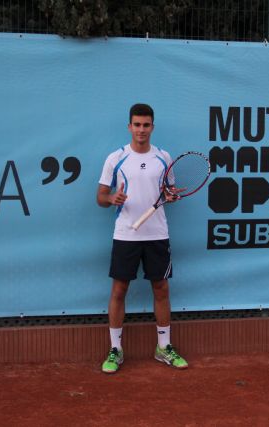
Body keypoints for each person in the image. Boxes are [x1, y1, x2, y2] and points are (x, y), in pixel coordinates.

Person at [97, 103, 188, 374]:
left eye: (146, 125)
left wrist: (171, 196)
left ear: (152, 127)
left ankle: (164, 347)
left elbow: (169, 192)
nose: (141, 130)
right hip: (126, 234)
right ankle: (115, 350)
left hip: (157, 234)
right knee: (119, 290)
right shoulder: (115, 158)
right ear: (129, 127)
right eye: (136, 125)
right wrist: (112, 197)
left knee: (161, 289)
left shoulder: (163, 157)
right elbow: (100, 197)